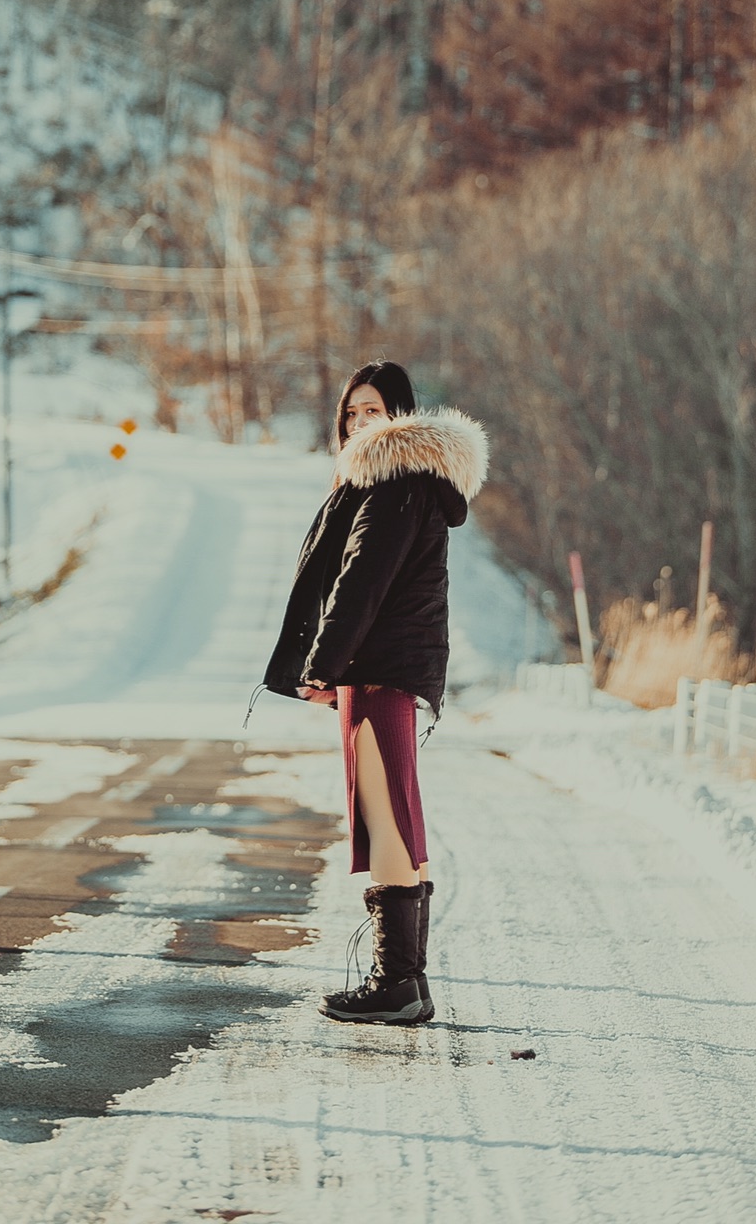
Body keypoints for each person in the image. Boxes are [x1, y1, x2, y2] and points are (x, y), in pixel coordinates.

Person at [262, 360, 487, 1025]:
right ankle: (402, 981)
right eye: (351, 413)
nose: (360, 424)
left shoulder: (392, 481)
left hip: (378, 666)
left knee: (383, 813)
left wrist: (320, 664)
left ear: (401, 417)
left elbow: (361, 582)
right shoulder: (402, 481)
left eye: (374, 412)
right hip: (384, 666)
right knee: (392, 813)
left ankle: (399, 984)